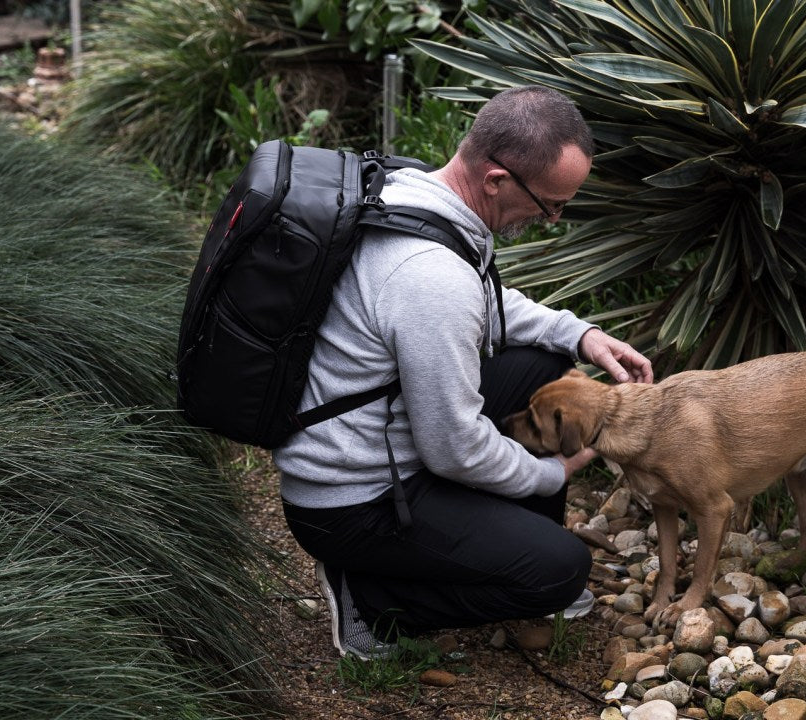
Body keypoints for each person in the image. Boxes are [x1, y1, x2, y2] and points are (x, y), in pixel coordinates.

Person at [274, 85, 653, 659]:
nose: (552, 219)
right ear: (497, 179)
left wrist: (582, 334)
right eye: (549, 204)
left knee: (544, 365)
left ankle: (510, 540)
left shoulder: (414, 191)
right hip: (354, 500)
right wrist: (551, 471)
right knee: (560, 571)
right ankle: (372, 598)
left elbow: (486, 301)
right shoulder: (430, 279)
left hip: (371, 436)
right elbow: (452, 448)